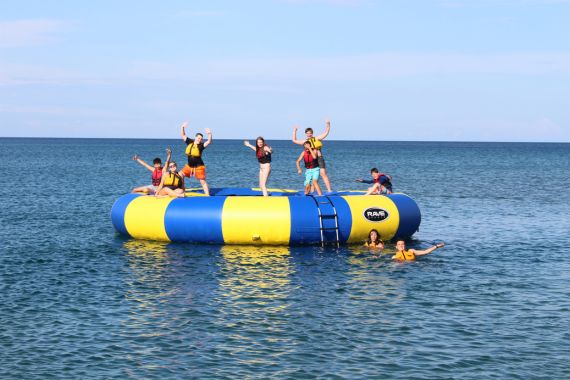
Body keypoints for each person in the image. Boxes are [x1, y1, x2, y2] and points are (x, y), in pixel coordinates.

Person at [292, 119, 332, 192]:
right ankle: (312, 192)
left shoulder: (316, 138)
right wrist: (295, 130)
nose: (309, 134)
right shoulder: (305, 142)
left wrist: (328, 124)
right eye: (307, 133)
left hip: (319, 158)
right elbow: (294, 140)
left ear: (312, 133)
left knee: (323, 173)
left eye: (310, 133)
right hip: (311, 160)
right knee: (313, 177)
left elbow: (326, 133)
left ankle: (329, 190)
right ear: (306, 134)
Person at [179, 121, 212, 196]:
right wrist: (182, 127)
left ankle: (207, 195)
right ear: (195, 137)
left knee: (202, 181)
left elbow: (209, 141)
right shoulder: (190, 142)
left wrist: (209, 134)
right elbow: (183, 135)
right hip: (189, 166)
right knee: (180, 174)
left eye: (201, 138)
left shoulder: (201, 146)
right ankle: (183, 191)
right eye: (198, 138)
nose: (199, 139)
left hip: (199, 166)